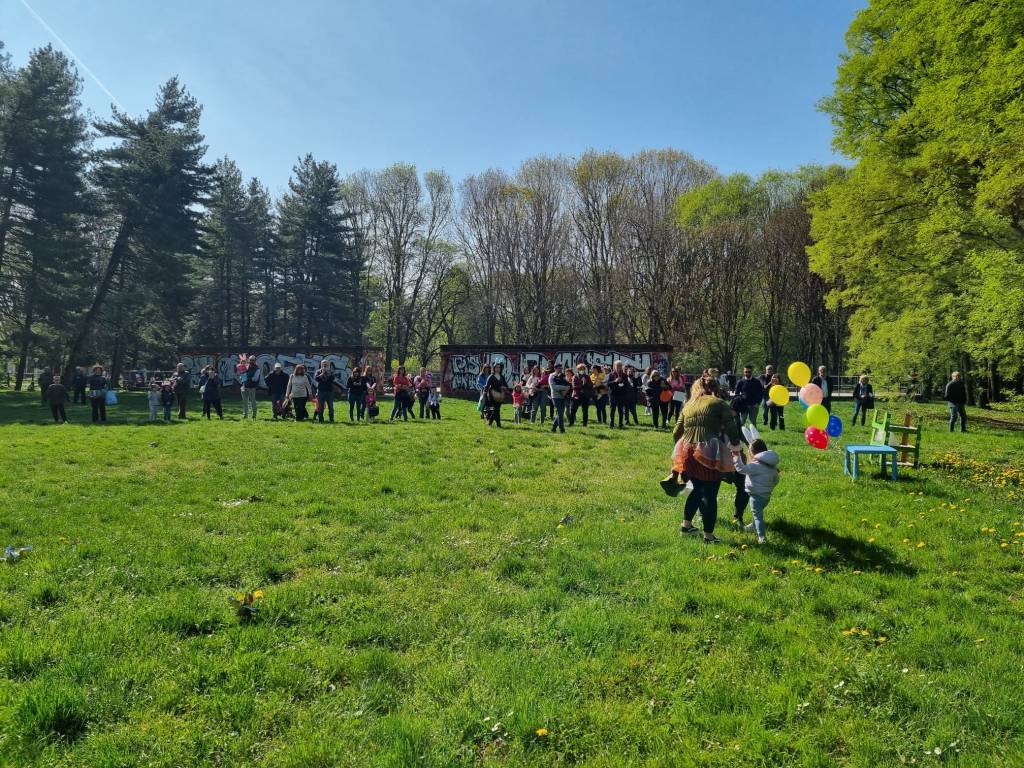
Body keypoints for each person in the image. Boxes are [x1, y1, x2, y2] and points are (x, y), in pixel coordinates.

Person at [672, 376, 742, 543]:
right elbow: (732, 427)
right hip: (709, 451)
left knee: (697, 489)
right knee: (710, 494)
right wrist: (736, 446)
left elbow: (676, 432)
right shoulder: (718, 403)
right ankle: (708, 536)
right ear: (715, 388)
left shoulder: (688, 405)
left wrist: (682, 448)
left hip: (688, 450)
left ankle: (686, 526)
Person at [732, 438, 780, 545]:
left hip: (756, 496)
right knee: (757, 512)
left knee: (758, 516)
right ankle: (753, 526)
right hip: (766, 496)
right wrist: (769, 487)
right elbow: (776, 479)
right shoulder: (770, 465)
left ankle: (762, 537)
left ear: (752, 452)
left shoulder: (755, 465)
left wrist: (736, 456)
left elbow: (741, 469)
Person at [484, 362, 508, 427]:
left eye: (499, 367)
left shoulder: (502, 377)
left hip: (500, 395)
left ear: (500, 369)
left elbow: (506, 385)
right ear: (494, 368)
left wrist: (504, 387)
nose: (498, 368)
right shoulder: (491, 376)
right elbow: (487, 386)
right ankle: (494, 424)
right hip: (492, 395)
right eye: (496, 367)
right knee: (495, 409)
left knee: (496, 410)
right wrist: (484, 394)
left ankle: (495, 424)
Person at [548, 363, 570, 433]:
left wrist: (567, 387)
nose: (560, 369)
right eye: (559, 368)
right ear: (555, 368)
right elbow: (554, 387)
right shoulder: (551, 376)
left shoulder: (563, 376)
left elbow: (567, 383)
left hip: (563, 396)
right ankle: (562, 429)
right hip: (555, 397)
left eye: (561, 368)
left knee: (560, 413)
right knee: (560, 413)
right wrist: (566, 388)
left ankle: (553, 428)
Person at [608, 361, 628, 429]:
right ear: (614, 366)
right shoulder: (611, 374)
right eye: (617, 366)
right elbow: (608, 384)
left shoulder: (624, 375)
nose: (618, 367)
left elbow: (627, 385)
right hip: (613, 395)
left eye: (620, 366)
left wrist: (622, 382)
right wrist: (615, 381)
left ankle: (620, 423)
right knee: (612, 410)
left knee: (620, 410)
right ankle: (611, 423)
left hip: (621, 395)